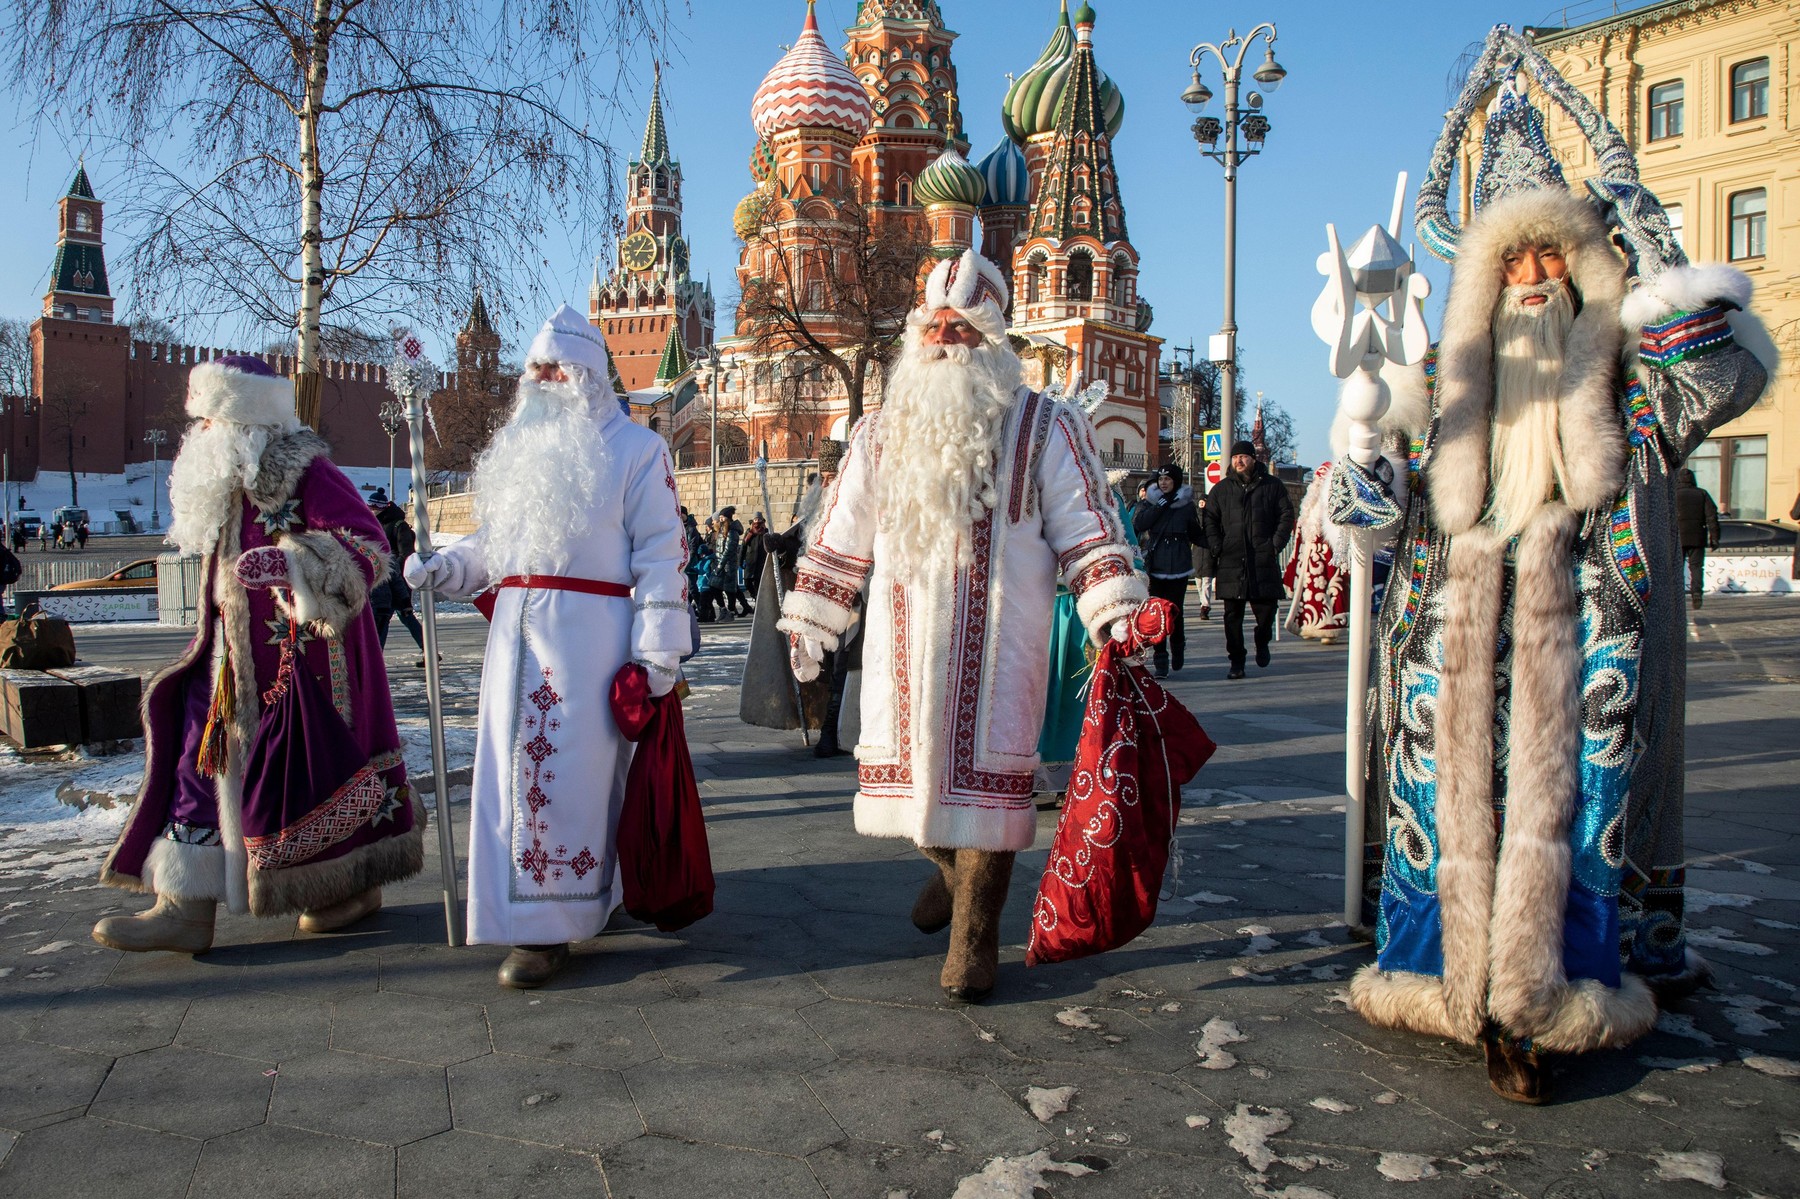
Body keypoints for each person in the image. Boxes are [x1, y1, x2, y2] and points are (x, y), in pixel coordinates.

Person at [1328, 63, 1775, 1104]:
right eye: (1510, 255)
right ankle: (1450, 975)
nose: (1531, 274)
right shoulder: (1450, 387)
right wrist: (1357, 442)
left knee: (1576, 814)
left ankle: (1553, 993)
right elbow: (1371, 521)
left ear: (1582, 265)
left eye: (1550, 252)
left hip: (1589, 637)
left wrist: (1649, 242)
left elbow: (1730, 374)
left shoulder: (1628, 370)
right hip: (1455, 640)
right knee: (1447, 815)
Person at [779, 250, 1148, 1003]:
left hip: (1002, 648)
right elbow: (842, 531)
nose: (947, 341)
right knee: (914, 793)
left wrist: (1112, 607)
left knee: (990, 794)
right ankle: (948, 876)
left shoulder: (1048, 425)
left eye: (965, 329)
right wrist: (816, 615)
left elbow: (1087, 524)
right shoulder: (880, 431)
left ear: (995, 340)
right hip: (902, 650)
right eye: (936, 326)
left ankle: (974, 940)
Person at [93, 355, 421, 954]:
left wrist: (294, 563)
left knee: (306, 775)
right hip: (223, 666)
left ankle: (344, 889)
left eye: (212, 423)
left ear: (245, 425)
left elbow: (368, 547)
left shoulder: (307, 473)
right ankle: (183, 904)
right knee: (199, 758)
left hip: (303, 668)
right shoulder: (224, 487)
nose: (203, 437)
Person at [404, 305, 691, 989]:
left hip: (590, 640)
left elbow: (661, 553)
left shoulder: (637, 450)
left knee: (576, 785)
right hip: (516, 638)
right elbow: (496, 543)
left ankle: (554, 922)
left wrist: (657, 651)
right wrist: (449, 566)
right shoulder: (523, 450)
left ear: (588, 375)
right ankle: (535, 913)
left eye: (555, 367)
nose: (541, 377)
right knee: (513, 783)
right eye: (534, 367)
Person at [1203, 440, 1295, 679]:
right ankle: (1236, 661)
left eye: (1243, 457)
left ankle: (1261, 640)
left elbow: (1286, 515)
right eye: (1235, 458)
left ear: (1254, 459)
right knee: (1232, 617)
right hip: (1232, 561)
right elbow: (1210, 520)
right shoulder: (1221, 490)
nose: (1239, 461)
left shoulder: (1273, 486)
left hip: (1262, 559)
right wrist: (1217, 546)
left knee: (1266, 612)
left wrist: (1274, 545)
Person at [1132, 463, 1204, 677]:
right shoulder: (1150, 502)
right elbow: (1140, 524)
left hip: (1179, 565)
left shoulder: (1186, 505)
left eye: (1168, 479)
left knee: (1176, 610)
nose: (1163, 483)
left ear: (1176, 481)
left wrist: (1217, 545)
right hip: (1157, 565)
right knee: (1158, 614)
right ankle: (1160, 658)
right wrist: (1159, 506)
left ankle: (1178, 645)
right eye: (1161, 479)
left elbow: (1195, 533)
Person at [1282, 463, 1350, 643]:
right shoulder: (1309, 506)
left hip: (1326, 557)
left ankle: (1328, 627)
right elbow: (1301, 530)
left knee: (1328, 593)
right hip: (1309, 557)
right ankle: (1308, 625)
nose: (1317, 484)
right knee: (1308, 594)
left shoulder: (1332, 503)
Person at [374, 499, 427, 657]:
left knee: (397, 615)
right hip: (388, 578)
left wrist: (389, 566)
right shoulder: (377, 525)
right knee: (397, 617)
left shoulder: (398, 525)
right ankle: (428, 649)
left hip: (398, 578)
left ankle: (428, 649)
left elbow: (406, 553)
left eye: (373, 507)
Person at [1674, 468, 1719, 609]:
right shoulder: (1702, 494)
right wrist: (1715, 538)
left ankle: (1676, 596)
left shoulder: (1673, 495)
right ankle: (1697, 594)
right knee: (1697, 567)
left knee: (1676, 568)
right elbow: (1712, 517)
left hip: (1678, 537)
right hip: (1698, 536)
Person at [718, 506, 752, 617]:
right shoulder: (725, 530)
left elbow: (728, 550)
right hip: (726, 563)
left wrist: (720, 564)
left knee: (729, 589)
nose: (720, 520)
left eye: (722, 517)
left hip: (729, 564)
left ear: (727, 518)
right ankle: (745, 607)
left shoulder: (732, 532)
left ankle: (731, 611)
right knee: (731, 588)